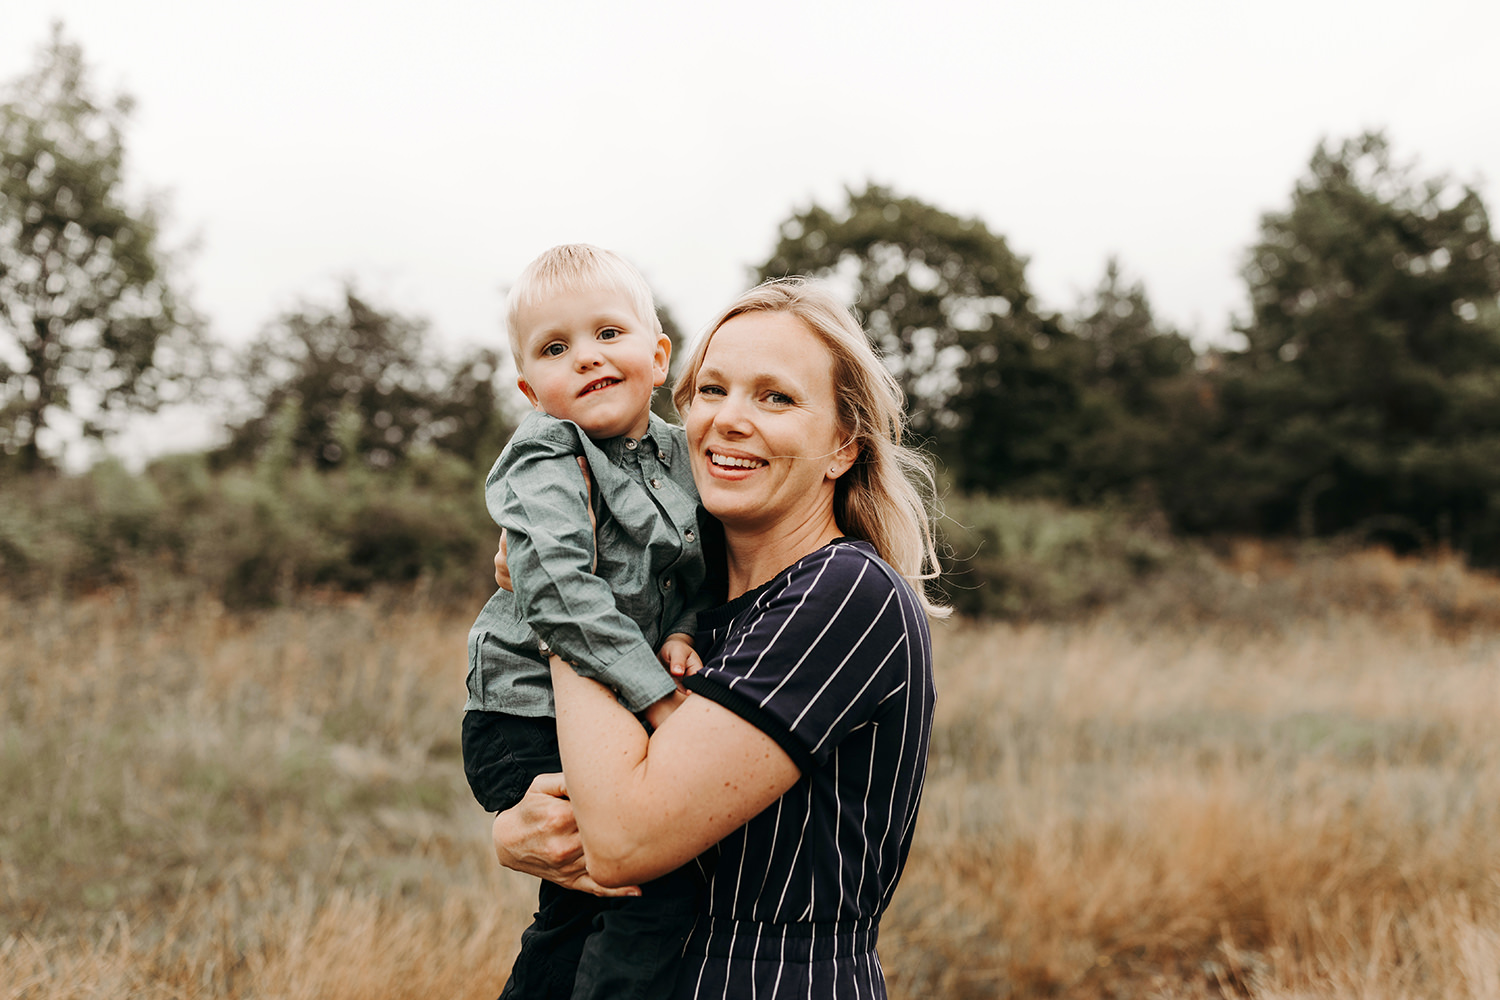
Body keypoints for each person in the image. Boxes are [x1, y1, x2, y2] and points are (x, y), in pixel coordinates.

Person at [492, 278, 942, 998]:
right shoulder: (691, 607)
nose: (729, 419)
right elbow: (599, 797)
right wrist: (523, 832)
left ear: (841, 447)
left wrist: (561, 595)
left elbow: (625, 841)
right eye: (711, 390)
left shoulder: (844, 593)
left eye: (776, 397)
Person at [463, 244, 712, 999]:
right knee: (629, 886)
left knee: (603, 902)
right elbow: (561, 591)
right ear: (530, 387)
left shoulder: (683, 453)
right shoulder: (546, 454)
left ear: (658, 354)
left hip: (609, 703)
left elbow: (707, 566)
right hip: (525, 712)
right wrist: (660, 697)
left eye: (609, 333)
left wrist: (683, 631)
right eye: (555, 348)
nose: (587, 358)